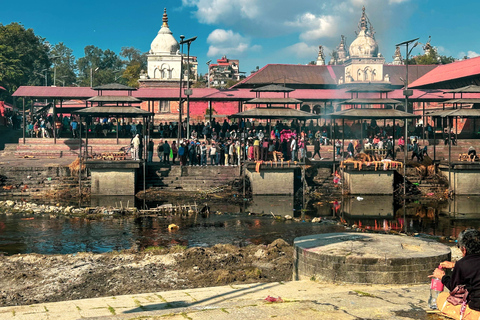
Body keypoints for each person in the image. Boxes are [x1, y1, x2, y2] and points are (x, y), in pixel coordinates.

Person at [430, 229, 480, 319]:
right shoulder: (462, 264)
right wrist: (454, 265)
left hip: (477, 310)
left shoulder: (463, 264)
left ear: (464, 249)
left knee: (442, 298)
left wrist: (442, 277)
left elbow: (455, 288)